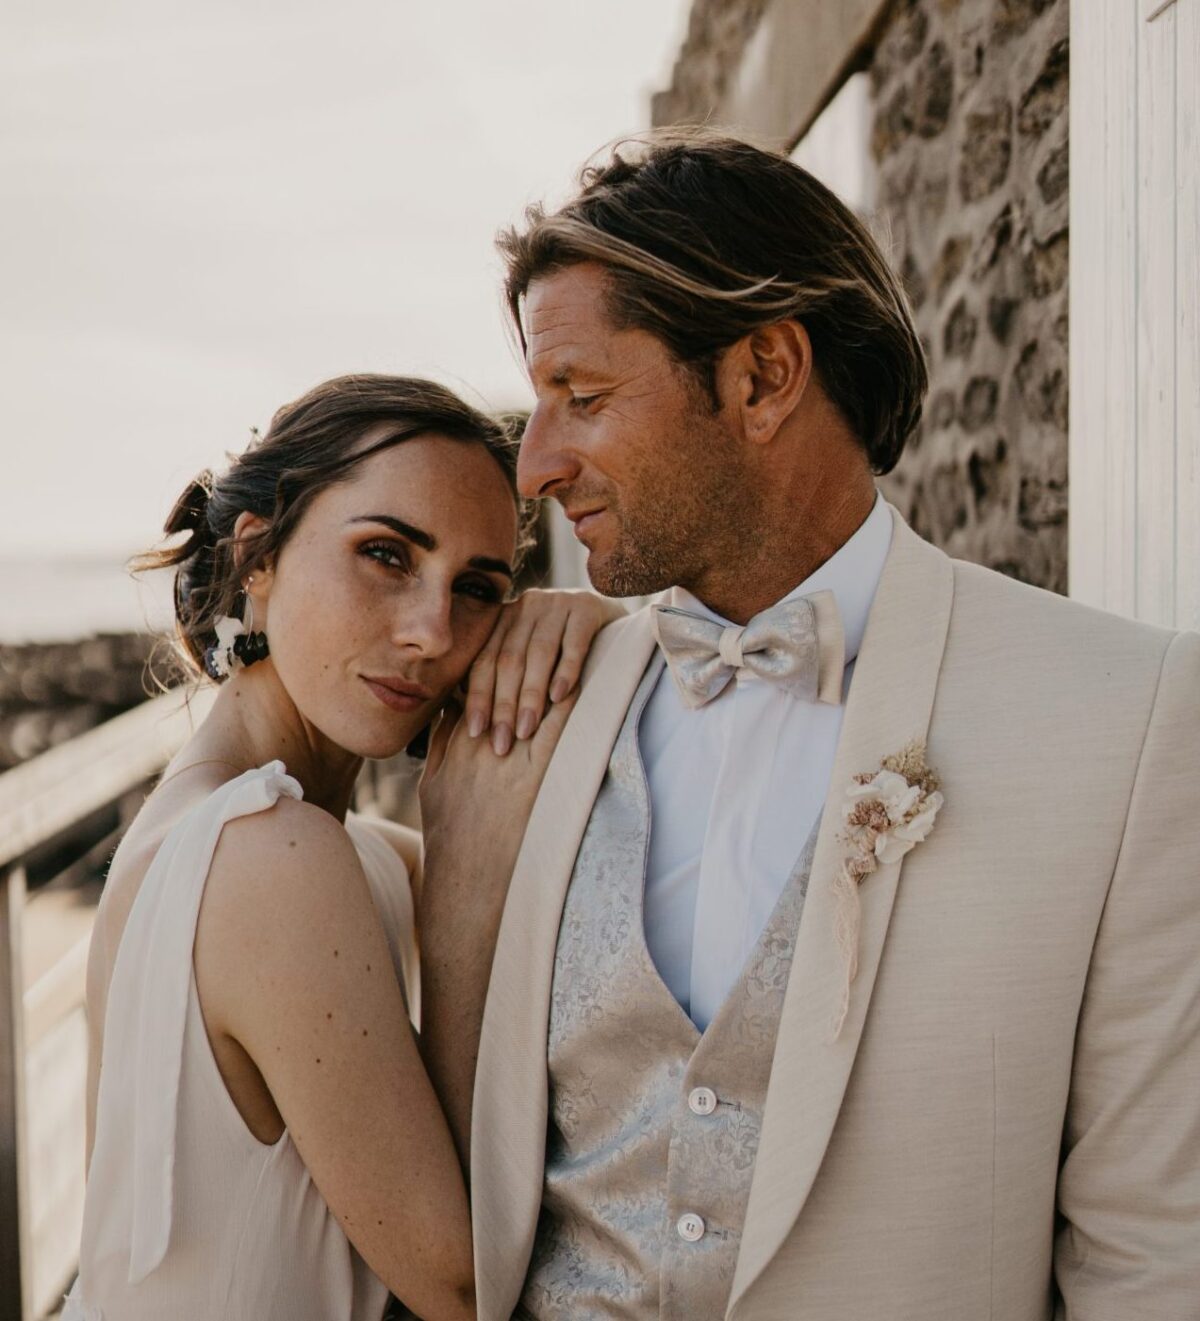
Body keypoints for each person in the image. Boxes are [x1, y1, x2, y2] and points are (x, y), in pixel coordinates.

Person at [435, 131, 1200, 1319]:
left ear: (764, 376)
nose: (535, 464)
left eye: (580, 398)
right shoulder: (546, 695)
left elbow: (1154, 1254)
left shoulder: (1123, 714)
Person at [67, 374, 621, 1321]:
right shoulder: (269, 855)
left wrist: (609, 638)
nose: (431, 632)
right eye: (385, 554)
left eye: (480, 589)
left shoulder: (291, 839)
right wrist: (470, 864)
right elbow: (462, 1283)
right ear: (258, 557)